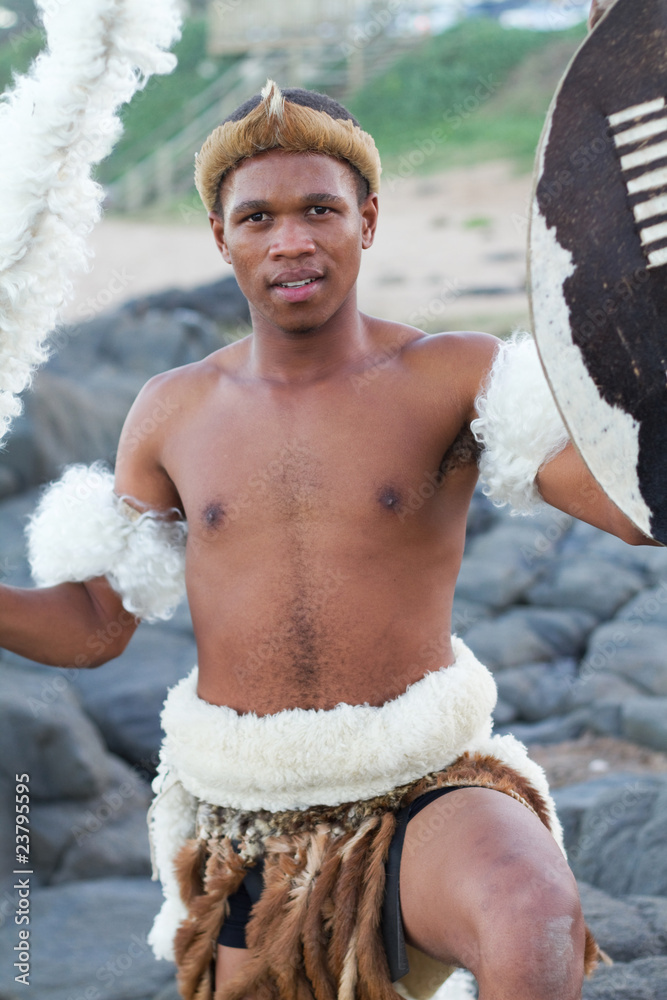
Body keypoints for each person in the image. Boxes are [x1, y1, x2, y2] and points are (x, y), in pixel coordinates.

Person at [2, 1, 646, 997]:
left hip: (427, 780)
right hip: (244, 815)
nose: (290, 240)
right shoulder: (170, 411)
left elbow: (629, 502)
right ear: (221, 236)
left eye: (320, 209)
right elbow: (95, 622)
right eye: (259, 217)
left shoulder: (453, 375)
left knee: (534, 911)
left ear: (368, 221)